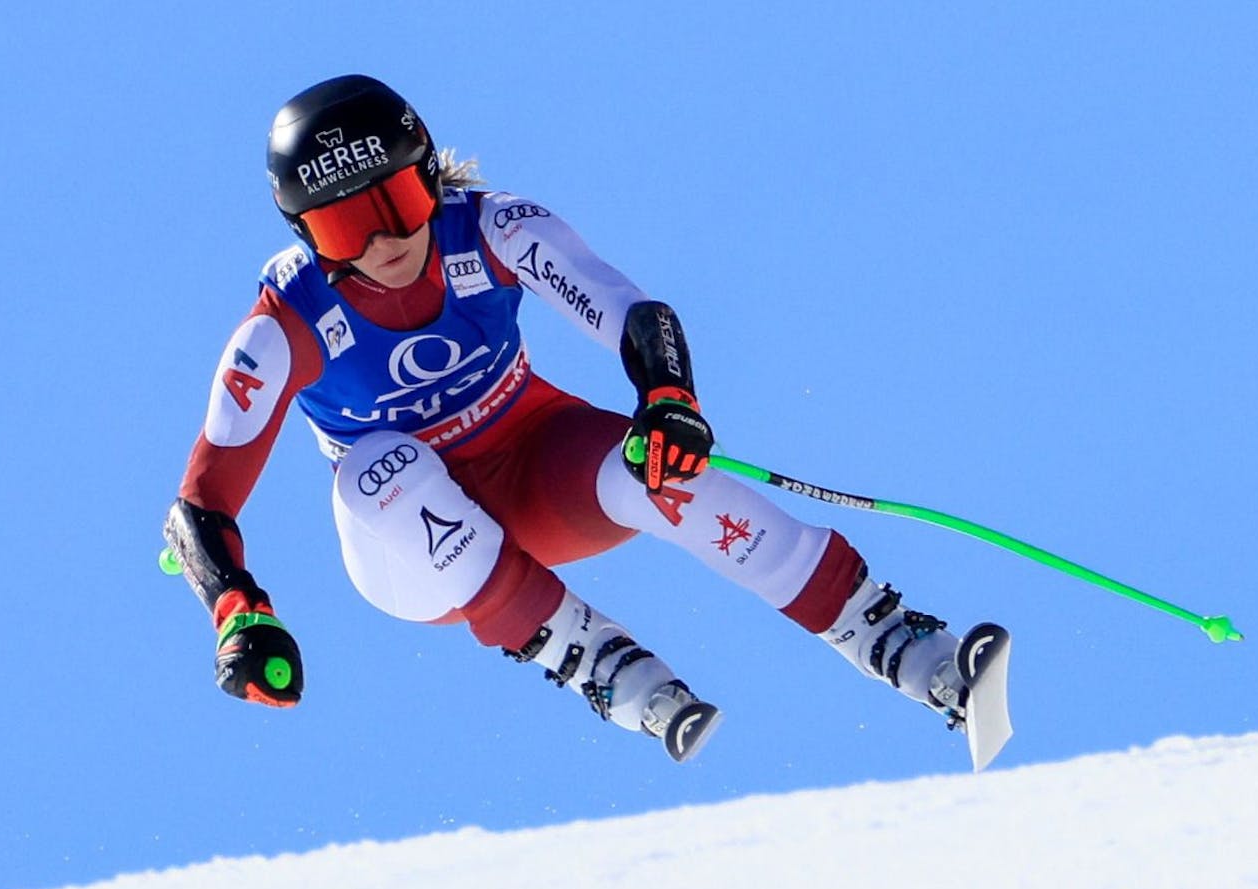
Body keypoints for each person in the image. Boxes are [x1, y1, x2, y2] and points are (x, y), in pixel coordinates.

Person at [162, 74, 974, 762]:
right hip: (411, 546)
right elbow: (200, 505)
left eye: (402, 198)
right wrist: (240, 611)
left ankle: (904, 646)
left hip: (534, 466)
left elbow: (631, 311)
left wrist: (668, 400)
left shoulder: (489, 228)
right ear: (306, 233)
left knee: (653, 469)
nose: (386, 239)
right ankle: (591, 656)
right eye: (347, 224)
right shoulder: (284, 324)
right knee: (383, 466)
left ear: (428, 173)